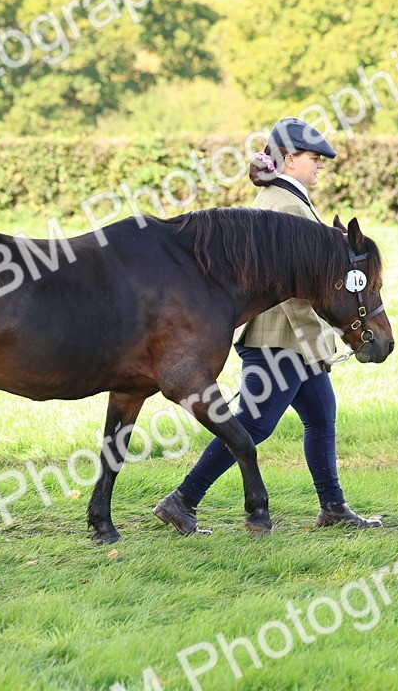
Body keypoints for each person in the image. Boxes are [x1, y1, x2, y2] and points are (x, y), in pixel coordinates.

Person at [153, 117, 381, 533]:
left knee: (321, 417)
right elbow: (293, 290)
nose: (320, 165)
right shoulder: (287, 205)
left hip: (292, 340)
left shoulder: (287, 198)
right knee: (254, 424)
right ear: (290, 160)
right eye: (314, 158)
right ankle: (182, 499)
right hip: (281, 339)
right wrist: (318, 345)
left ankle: (333, 507)